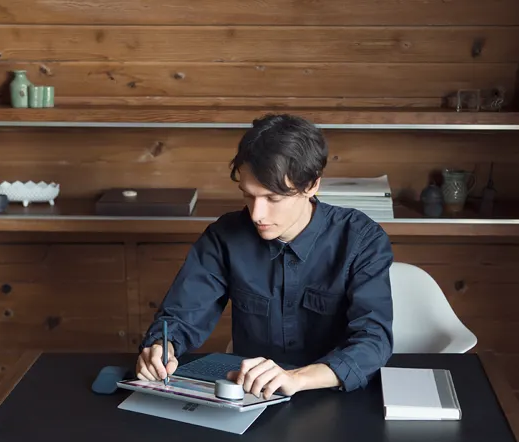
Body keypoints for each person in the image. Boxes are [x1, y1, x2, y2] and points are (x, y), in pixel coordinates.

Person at [136, 113, 394, 399]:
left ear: (311, 185)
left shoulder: (362, 240)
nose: (257, 215)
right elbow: (182, 315)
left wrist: (297, 378)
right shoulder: (224, 236)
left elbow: (373, 341)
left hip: (334, 395)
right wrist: (161, 347)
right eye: (248, 196)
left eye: (273, 198)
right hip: (252, 396)